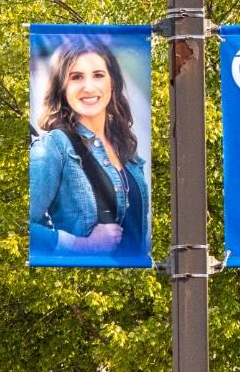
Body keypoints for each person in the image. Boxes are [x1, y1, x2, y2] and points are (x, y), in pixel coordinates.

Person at [28, 34, 151, 266]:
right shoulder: (55, 146)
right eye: (76, 77)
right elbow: (21, 226)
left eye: (98, 75)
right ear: (62, 87)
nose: (88, 86)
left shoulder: (127, 150)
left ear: (112, 84)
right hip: (83, 288)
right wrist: (80, 245)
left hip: (136, 288)